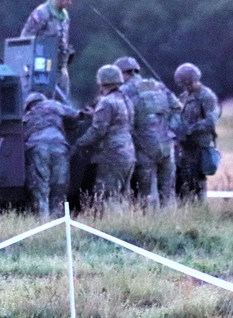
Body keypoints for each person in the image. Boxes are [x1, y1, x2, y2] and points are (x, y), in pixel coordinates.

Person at [115, 56, 181, 209]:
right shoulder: (158, 86)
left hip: (144, 146)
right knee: (168, 190)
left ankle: (153, 224)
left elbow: (119, 118)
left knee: (148, 191)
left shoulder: (124, 91)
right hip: (167, 144)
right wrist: (171, 131)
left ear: (124, 74)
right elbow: (178, 108)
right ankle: (172, 223)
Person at [73, 64, 135, 211]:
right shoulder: (126, 100)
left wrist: (79, 143)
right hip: (128, 153)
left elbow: (98, 131)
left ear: (101, 82)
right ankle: (125, 225)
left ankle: (112, 228)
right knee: (122, 195)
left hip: (111, 155)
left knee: (107, 196)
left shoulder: (106, 102)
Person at [23, 91, 79, 219]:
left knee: (40, 190)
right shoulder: (53, 105)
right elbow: (75, 115)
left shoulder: (26, 115)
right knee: (59, 188)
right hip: (60, 147)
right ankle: (58, 223)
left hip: (37, 148)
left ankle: (43, 225)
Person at [21, 0, 78, 101]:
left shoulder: (64, 16)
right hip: (43, 64)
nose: (69, 3)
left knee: (63, 98)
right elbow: (26, 38)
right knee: (44, 99)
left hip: (61, 65)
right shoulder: (42, 13)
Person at [173, 62, 220, 202]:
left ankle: (200, 208)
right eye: (183, 85)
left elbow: (211, 121)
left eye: (188, 84)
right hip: (185, 147)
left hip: (200, 146)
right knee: (184, 180)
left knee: (198, 182)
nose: (186, 87)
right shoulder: (184, 96)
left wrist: (190, 129)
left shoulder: (207, 96)